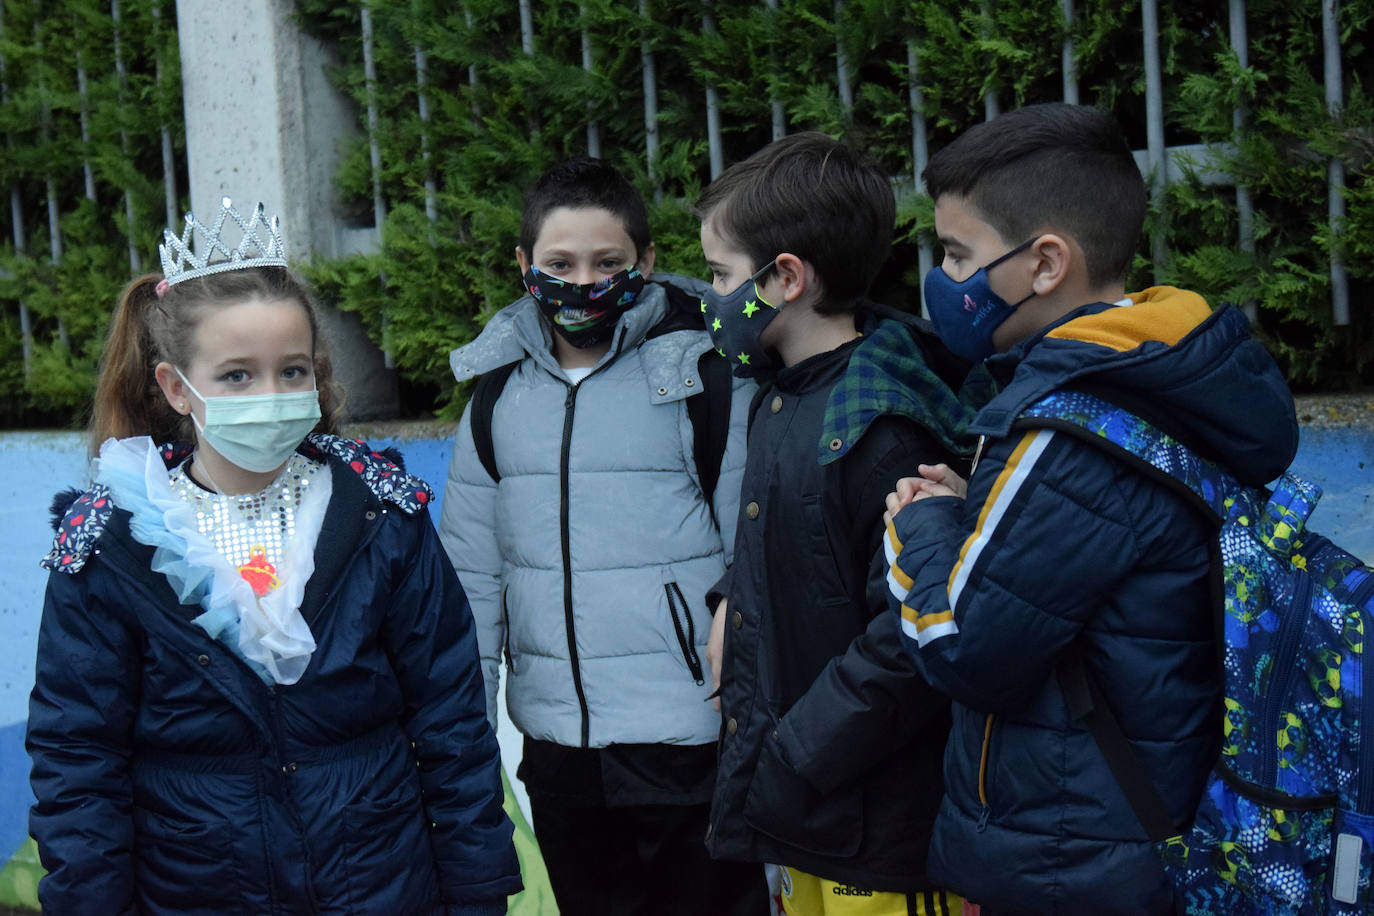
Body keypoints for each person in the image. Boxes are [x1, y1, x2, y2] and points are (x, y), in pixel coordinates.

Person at [26, 199, 521, 915]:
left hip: (380, 883)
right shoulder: (110, 544)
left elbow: (450, 721)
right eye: (236, 376)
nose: (273, 395)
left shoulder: (384, 515)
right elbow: (79, 759)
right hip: (196, 889)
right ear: (176, 388)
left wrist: (478, 892)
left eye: (292, 372)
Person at [882, 103, 1300, 913]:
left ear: (1045, 264)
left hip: (1071, 856)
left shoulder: (1068, 433)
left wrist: (921, 524)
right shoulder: (1154, 373)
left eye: (960, 255)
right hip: (1145, 824)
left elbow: (967, 648)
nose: (946, 281)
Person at [437, 157, 765, 915]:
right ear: (524, 266)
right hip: (556, 754)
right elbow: (471, 586)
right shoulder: (494, 398)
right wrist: (465, 743)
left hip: (689, 744)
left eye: (607, 263)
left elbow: (748, 554)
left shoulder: (704, 379)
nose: (582, 283)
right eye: (559, 264)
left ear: (646, 263)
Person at [697, 131, 976, 916]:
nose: (710, 300)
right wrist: (733, 598)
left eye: (720, 276)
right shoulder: (782, 397)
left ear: (785, 279)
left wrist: (797, 748)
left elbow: (908, 632)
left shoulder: (881, 427)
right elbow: (803, 538)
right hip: (804, 814)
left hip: (875, 829)